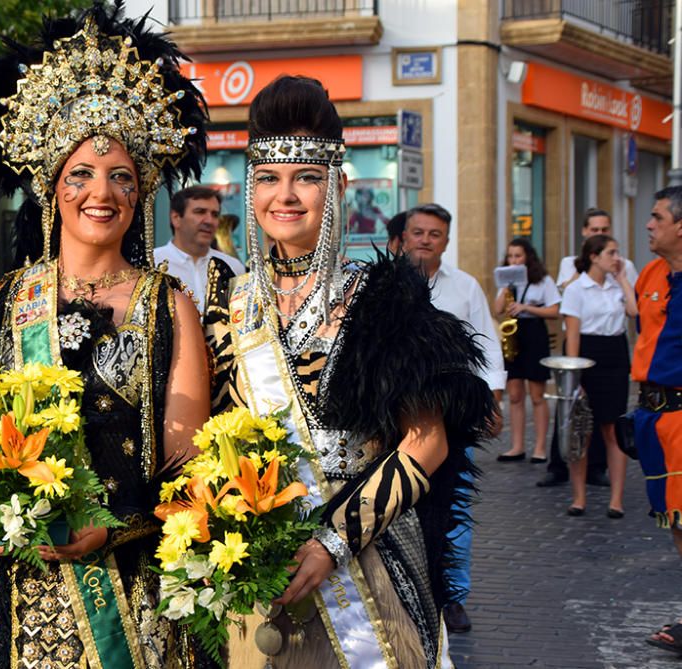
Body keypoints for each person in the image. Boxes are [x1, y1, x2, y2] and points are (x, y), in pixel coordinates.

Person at [0, 5, 213, 667]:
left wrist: (117, 520)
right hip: (9, 591)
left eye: (120, 177)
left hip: (129, 599)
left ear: (141, 193)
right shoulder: (1, 303)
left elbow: (187, 465)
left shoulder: (169, 307)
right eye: (81, 174)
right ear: (51, 187)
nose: (100, 191)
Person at [204, 75, 495, 668]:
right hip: (259, 564)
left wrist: (330, 542)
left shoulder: (384, 297)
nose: (285, 196)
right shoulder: (222, 304)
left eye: (306, 177)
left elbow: (428, 442)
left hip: (370, 563)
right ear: (250, 188)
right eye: (268, 178)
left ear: (336, 184)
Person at [401, 203, 506, 635]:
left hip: (453, 412)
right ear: (404, 236)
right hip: (396, 416)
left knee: (453, 507)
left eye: (435, 234)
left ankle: (452, 599)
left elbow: (488, 344)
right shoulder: (378, 287)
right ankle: (403, 591)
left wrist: (493, 400)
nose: (426, 240)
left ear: (446, 240)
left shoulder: (465, 287)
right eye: (419, 232)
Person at [632, 187, 682, 657]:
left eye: (657, 216)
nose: (649, 224)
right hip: (652, 416)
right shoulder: (650, 272)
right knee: (675, 522)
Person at [559, 234, 637, 518]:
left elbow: (634, 311)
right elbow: (573, 334)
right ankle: (579, 497)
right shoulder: (576, 289)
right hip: (587, 354)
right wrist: (575, 376)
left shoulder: (618, 285)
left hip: (615, 355)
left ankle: (616, 500)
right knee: (582, 430)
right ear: (594, 256)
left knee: (613, 429)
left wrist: (624, 279)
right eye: (611, 253)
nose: (617, 258)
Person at [492, 238, 560, 462]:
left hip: (534, 332)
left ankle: (540, 448)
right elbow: (497, 310)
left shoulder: (542, 280)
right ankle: (517, 446)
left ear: (528, 257)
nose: (513, 260)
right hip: (513, 333)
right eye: (510, 256)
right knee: (514, 395)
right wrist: (504, 288)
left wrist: (526, 308)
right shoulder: (507, 281)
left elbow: (554, 310)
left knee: (538, 395)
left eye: (518, 256)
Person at [154, 186, 244, 315]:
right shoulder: (152, 263)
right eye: (200, 212)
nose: (209, 221)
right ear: (176, 218)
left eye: (215, 214)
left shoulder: (233, 267)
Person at [555, 207, 638, 290]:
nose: (600, 234)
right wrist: (584, 262)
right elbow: (567, 292)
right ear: (584, 231)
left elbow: (636, 295)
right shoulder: (569, 263)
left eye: (604, 230)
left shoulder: (625, 265)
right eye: (595, 230)